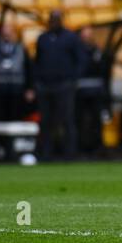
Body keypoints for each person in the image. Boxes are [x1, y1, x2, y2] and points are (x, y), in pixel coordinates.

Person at [33, 10, 84, 160]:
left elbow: (81, 60)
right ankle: (46, 154)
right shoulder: (43, 39)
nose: (54, 21)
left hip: (64, 85)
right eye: (52, 19)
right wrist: (37, 81)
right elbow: (37, 61)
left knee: (67, 119)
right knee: (46, 121)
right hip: (45, 86)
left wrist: (73, 79)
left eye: (57, 18)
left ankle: (70, 154)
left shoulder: (71, 38)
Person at [0, 21, 31, 123]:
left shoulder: (21, 48)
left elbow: (28, 68)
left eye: (9, 31)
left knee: (15, 118)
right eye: (4, 31)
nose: (7, 35)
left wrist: (29, 88)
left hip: (16, 89)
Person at [75, 26, 107, 155]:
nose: (87, 37)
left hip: (96, 90)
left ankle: (97, 147)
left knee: (96, 121)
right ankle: (80, 147)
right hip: (80, 90)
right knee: (80, 120)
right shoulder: (77, 51)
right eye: (85, 35)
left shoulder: (97, 51)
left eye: (89, 34)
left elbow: (103, 70)